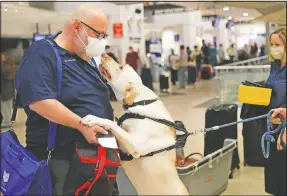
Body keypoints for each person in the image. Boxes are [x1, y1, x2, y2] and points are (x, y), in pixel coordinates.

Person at [15, 5, 116, 194]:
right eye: (98, 34)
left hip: (94, 157)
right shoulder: (42, 54)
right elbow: (40, 102)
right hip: (61, 160)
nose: (101, 41)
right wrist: (81, 124)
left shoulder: (86, 59)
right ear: (77, 26)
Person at [264, 26, 286, 196]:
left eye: (277, 44)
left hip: (285, 128)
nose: (273, 48)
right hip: (272, 125)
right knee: (276, 176)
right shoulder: (274, 65)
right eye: (271, 44)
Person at [1, 52, 17, 128]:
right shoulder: (11, 61)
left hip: (4, 85)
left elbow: (3, 73)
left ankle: (7, 121)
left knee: (4, 104)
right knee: (8, 103)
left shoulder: (5, 63)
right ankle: (8, 120)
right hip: (9, 84)